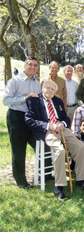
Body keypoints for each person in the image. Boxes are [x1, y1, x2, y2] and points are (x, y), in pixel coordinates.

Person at [25, 80, 84, 201]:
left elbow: (65, 117)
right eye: (47, 88)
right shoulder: (33, 100)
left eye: (52, 89)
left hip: (62, 129)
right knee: (60, 150)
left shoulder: (58, 100)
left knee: (80, 146)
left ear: (55, 91)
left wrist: (63, 123)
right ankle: (59, 187)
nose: (50, 90)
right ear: (42, 88)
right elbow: (29, 120)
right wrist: (49, 125)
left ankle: (80, 180)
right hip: (47, 131)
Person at [3, 57, 41, 188]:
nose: (33, 67)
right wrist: (24, 98)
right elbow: (6, 100)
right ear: (25, 66)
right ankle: (21, 182)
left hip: (32, 118)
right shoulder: (15, 81)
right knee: (19, 151)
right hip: (17, 117)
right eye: (30, 64)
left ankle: (44, 175)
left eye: (35, 65)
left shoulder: (37, 83)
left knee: (40, 146)